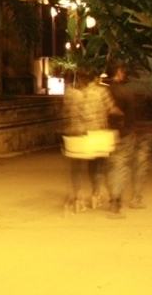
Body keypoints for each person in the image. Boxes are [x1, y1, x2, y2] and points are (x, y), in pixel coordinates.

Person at [63, 71, 118, 212]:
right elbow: (111, 109)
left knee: (76, 169)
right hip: (96, 134)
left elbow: (65, 112)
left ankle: (78, 199)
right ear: (94, 78)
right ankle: (95, 196)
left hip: (76, 134)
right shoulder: (101, 92)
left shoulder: (70, 93)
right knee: (97, 166)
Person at [106, 64, 152, 214]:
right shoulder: (126, 92)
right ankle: (136, 199)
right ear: (119, 73)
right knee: (138, 166)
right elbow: (131, 117)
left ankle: (114, 198)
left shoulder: (104, 91)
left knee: (115, 168)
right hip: (125, 134)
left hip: (108, 135)